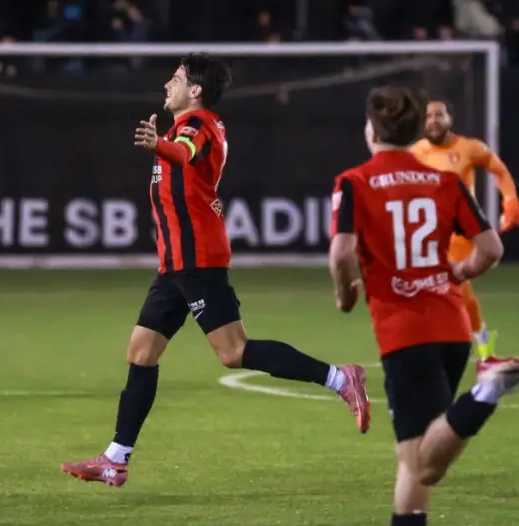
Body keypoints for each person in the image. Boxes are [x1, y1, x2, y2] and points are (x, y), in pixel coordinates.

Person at [60, 53, 370, 487]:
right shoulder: (182, 128)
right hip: (175, 265)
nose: (167, 84)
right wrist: (162, 145)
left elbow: (186, 154)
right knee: (141, 353)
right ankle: (115, 459)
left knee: (233, 352)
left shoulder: (198, 124)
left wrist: (158, 146)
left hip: (198, 261)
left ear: (196, 90)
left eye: (176, 78)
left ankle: (340, 378)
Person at [329, 84, 519, 526]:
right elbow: (491, 249)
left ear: (371, 131)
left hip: (405, 333)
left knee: (423, 462)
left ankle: (487, 391)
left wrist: (345, 295)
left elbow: (342, 252)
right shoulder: (444, 181)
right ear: (413, 132)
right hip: (452, 326)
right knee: (416, 453)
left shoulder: (354, 182)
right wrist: (460, 272)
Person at [410, 100, 519, 359]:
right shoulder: (415, 152)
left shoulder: (469, 147)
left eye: (439, 115)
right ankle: (480, 343)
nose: (433, 120)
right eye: (428, 116)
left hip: (461, 233)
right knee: (440, 290)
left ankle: (472, 345)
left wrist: (510, 200)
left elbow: (499, 170)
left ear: (450, 118)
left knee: (454, 285)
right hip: (428, 235)